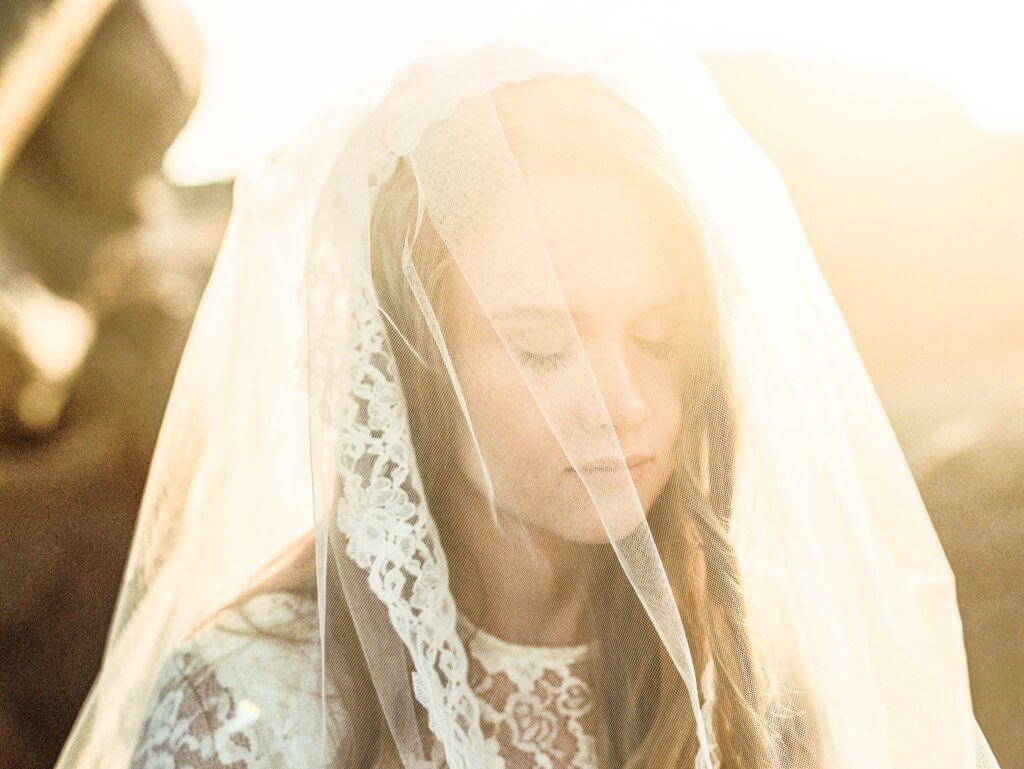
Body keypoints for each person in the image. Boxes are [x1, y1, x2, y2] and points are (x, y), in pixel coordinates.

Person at [53, 31, 1002, 769]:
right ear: (410, 366)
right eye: (544, 347)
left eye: (657, 336)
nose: (623, 402)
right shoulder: (249, 700)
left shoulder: (756, 671)